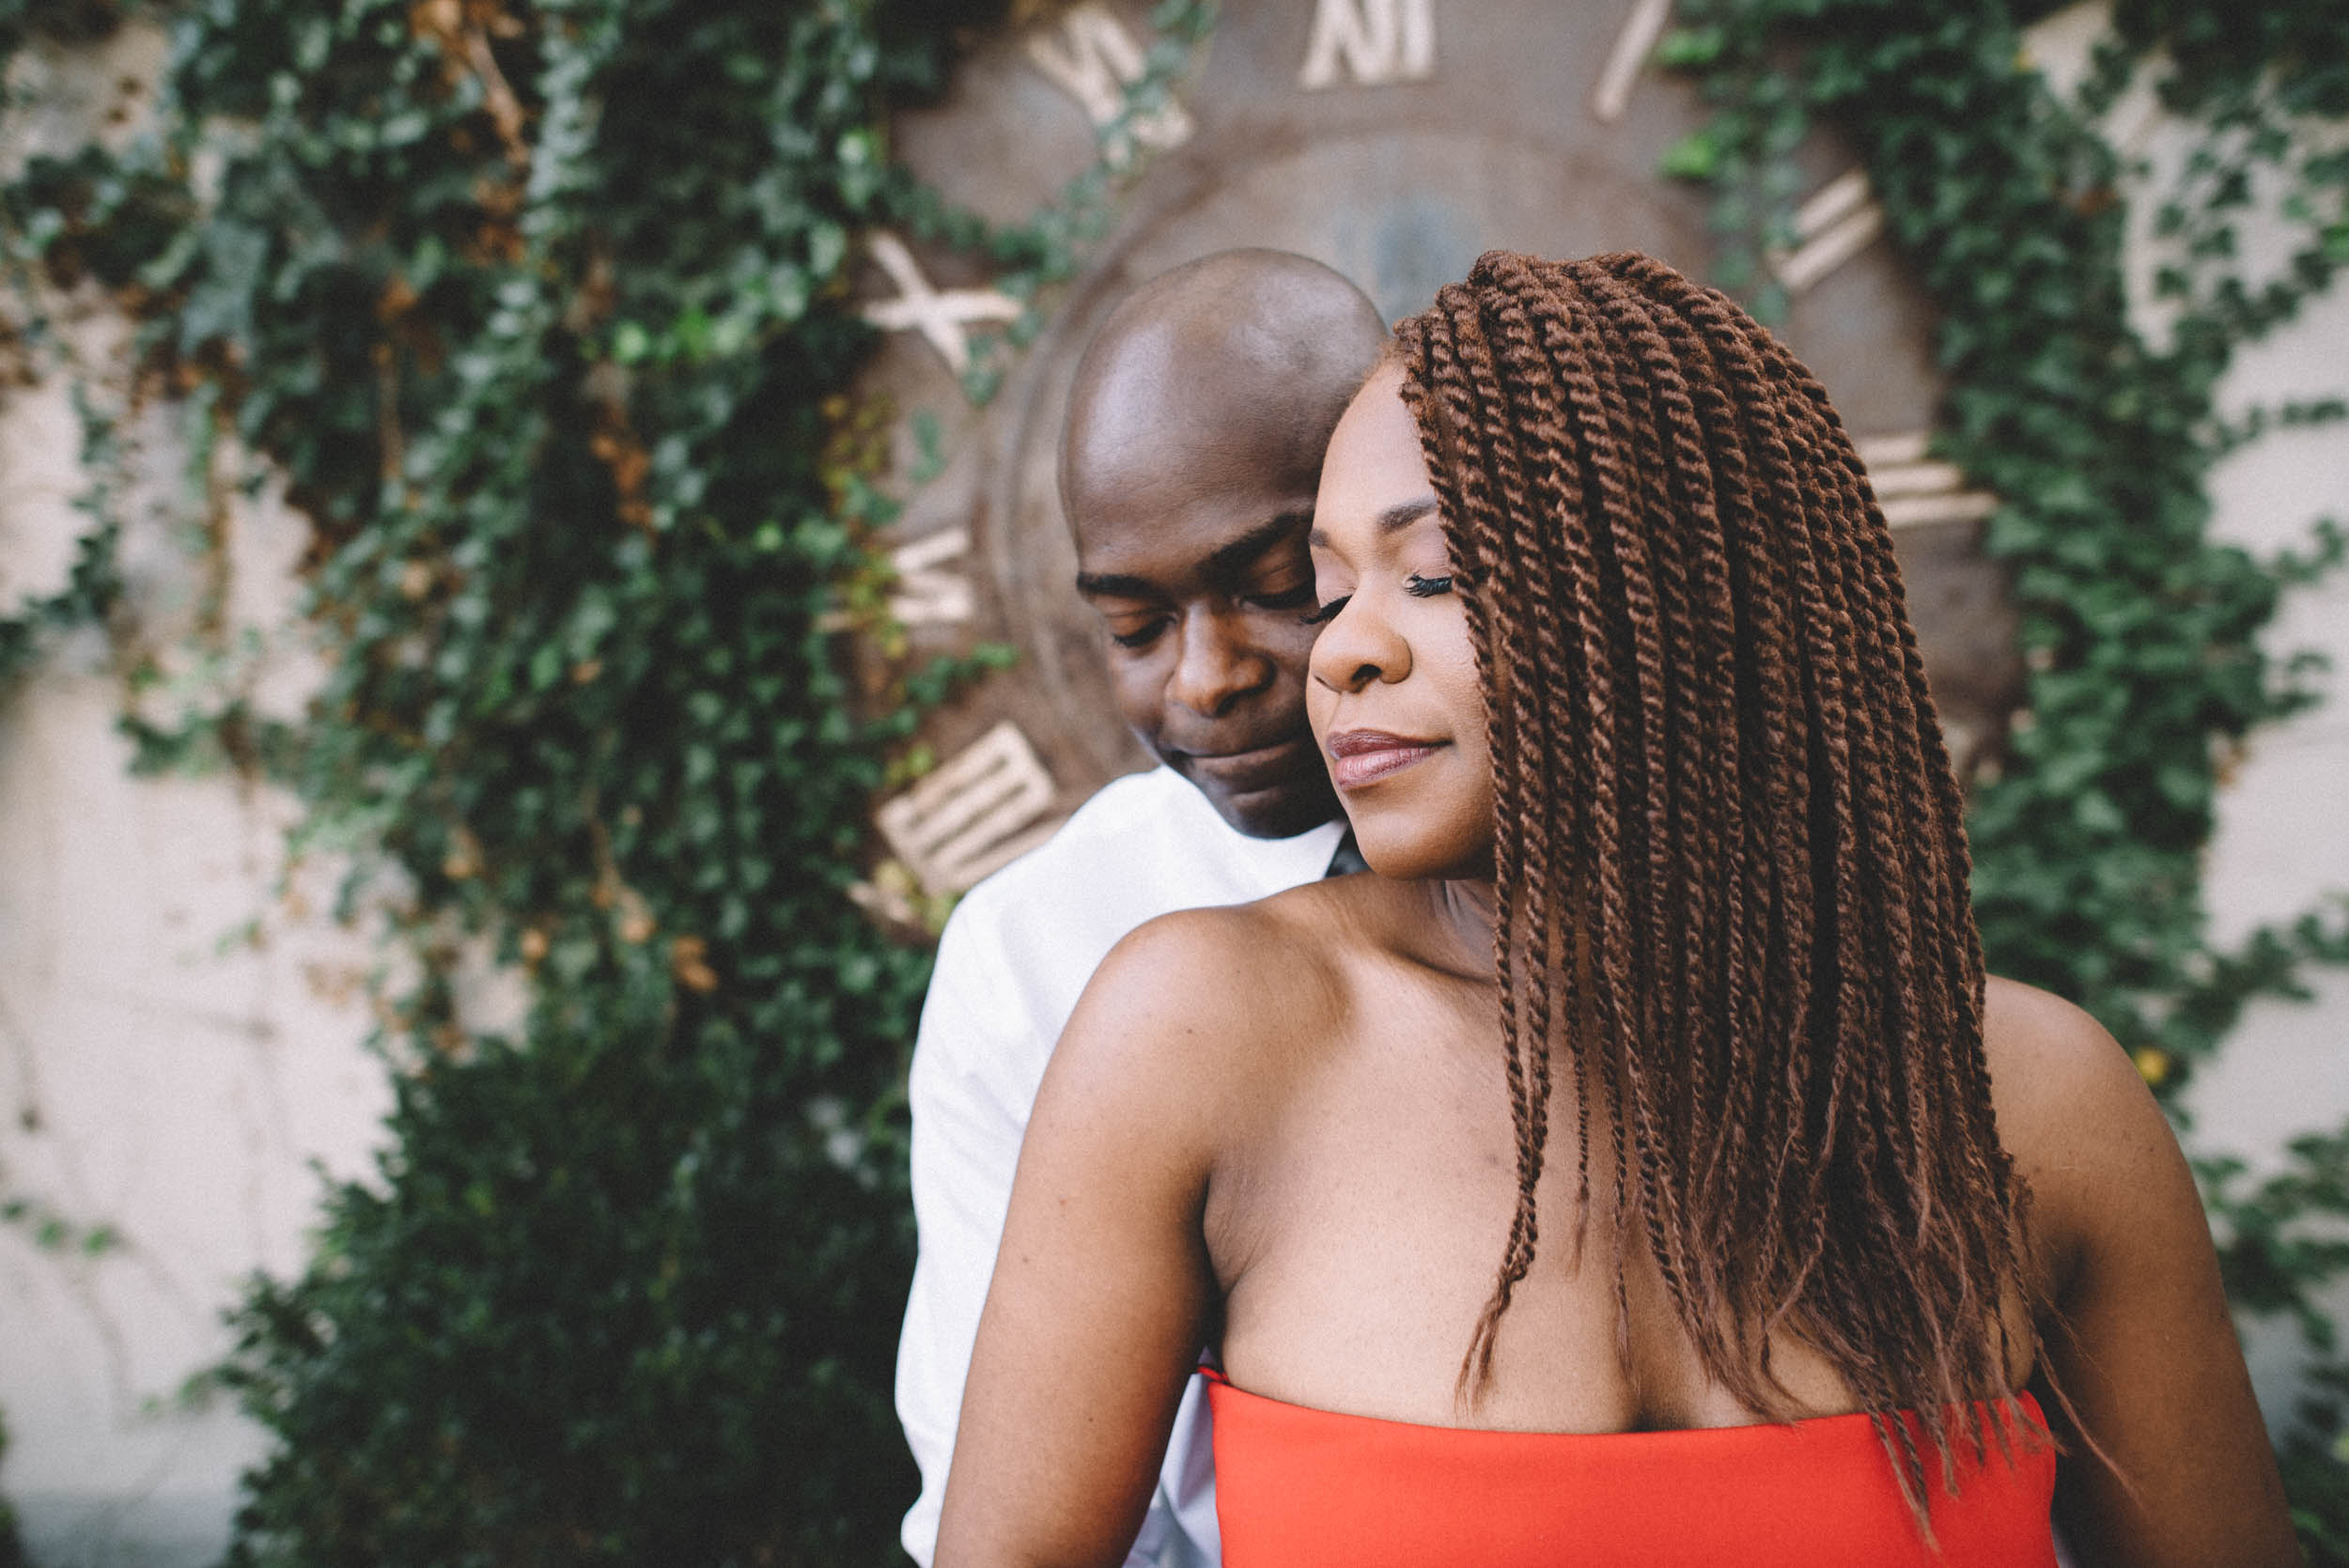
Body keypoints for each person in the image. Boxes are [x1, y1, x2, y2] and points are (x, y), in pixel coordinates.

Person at [932, 252, 2297, 1567]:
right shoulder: (1197, 1033)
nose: (1338, 650)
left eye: (1434, 573)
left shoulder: (2037, 1102)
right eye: (1334, 586)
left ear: (1688, 597)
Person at [894, 249, 1390, 1568]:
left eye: (1278, 585)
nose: (1206, 678)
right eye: (1133, 624)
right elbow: (996, 1512)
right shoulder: (1037, 954)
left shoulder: (1634, 887)